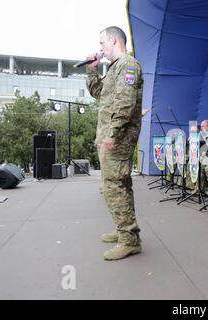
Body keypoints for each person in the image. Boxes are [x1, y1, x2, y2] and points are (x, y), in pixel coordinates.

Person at [86, 26, 143, 261]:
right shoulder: (114, 68)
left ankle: (129, 240)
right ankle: (124, 229)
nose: (100, 48)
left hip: (118, 138)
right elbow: (100, 93)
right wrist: (92, 71)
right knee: (119, 185)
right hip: (110, 137)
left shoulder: (128, 65)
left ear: (113, 40)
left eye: (102, 43)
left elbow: (126, 103)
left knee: (113, 186)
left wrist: (112, 133)